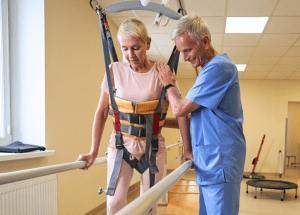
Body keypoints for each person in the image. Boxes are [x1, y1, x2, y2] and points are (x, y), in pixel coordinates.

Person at [77, 18, 192, 215]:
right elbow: (102, 112)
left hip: (153, 148)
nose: (130, 55)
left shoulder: (162, 72)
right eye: (125, 49)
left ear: (147, 43)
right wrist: (93, 151)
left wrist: (187, 150)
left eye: (136, 47)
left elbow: (181, 113)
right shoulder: (114, 71)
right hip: (120, 147)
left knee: (149, 205)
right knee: (114, 203)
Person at [154, 15, 246, 215]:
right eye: (181, 52)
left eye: (188, 50)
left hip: (221, 161)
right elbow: (188, 117)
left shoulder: (219, 67)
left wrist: (169, 83)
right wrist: (155, 123)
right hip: (210, 162)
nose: (185, 57)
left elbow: (179, 109)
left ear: (205, 41)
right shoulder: (208, 71)